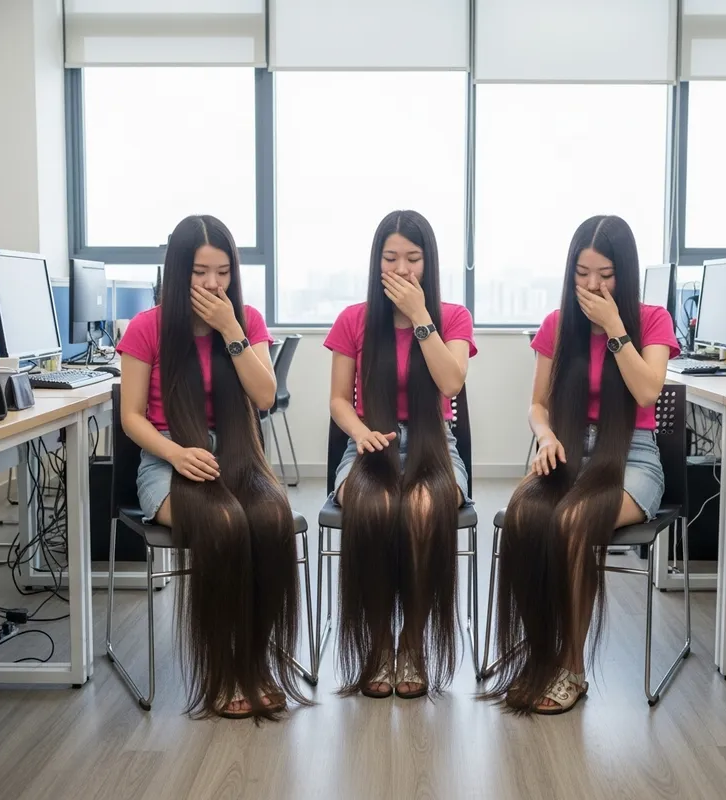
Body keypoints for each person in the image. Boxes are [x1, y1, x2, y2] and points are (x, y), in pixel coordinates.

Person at [485, 215, 680, 715]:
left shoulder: (653, 319)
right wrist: (545, 436)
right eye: (582, 272)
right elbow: (537, 406)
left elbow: (647, 391)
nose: (593, 285)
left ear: (626, 274)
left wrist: (616, 329)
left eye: (606, 274)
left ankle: (571, 668)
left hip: (632, 458)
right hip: (570, 454)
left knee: (574, 522)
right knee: (526, 515)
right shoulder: (557, 326)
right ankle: (537, 651)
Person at [117, 214, 306, 721]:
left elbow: (265, 396)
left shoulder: (247, 320)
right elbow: (131, 416)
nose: (212, 284)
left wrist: (230, 330)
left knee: (269, 521)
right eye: (200, 271)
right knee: (223, 525)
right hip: (169, 459)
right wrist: (176, 454)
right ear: (179, 271)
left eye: (222, 271)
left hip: (238, 456)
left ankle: (258, 661)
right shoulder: (147, 328)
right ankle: (224, 668)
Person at [324, 210, 477, 699]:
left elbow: (451, 382)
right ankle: (377, 646)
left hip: (435, 446)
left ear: (429, 264)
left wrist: (420, 318)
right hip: (370, 444)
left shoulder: (451, 317)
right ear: (376, 262)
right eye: (391, 258)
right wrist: (360, 431)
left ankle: (412, 644)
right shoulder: (354, 319)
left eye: (413, 259)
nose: (402, 269)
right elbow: (337, 401)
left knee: (421, 511)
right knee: (375, 508)